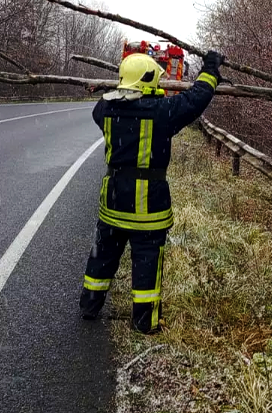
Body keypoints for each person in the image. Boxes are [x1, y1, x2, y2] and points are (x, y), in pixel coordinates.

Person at [80, 49, 224, 334]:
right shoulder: (162, 113)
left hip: (113, 201)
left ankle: (89, 305)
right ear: (148, 82)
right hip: (148, 207)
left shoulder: (104, 110)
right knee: (146, 263)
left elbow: (116, 101)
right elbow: (196, 99)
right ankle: (144, 322)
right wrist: (211, 71)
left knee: (103, 255)